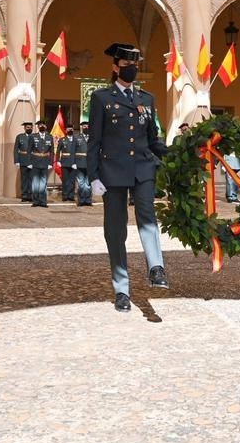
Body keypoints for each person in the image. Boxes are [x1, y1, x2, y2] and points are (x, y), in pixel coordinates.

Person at [87, 43, 170, 313]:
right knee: (116, 230)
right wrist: (93, 176)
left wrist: (177, 153)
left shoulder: (147, 99)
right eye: (126, 65)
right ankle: (122, 289)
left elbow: (153, 139)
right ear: (115, 67)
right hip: (113, 171)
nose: (132, 69)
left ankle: (156, 266)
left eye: (136, 65)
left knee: (147, 213)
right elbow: (94, 141)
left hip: (143, 167)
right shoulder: (101, 98)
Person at [29, 120, 54, 207]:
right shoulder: (33, 136)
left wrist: (51, 162)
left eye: (43, 124)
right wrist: (30, 162)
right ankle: (35, 201)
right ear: (38, 127)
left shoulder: (49, 137)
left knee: (43, 182)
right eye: (40, 125)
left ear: (46, 126)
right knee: (35, 182)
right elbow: (29, 150)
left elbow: (51, 151)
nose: (42, 126)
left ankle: (43, 201)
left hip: (45, 162)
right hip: (35, 161)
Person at [14, 120, 34, 202]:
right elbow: (16, 149)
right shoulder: (20, 136)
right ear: (24, 128)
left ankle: (31, 195)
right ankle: (24, 195)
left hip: (33, 160)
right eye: (28, 127)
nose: (29, 128)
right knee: (24, 179)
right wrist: (16, 160)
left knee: (32, 179)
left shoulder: (35, 136)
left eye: (30, 127)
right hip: (23, 159)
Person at [73, 121, 92, 205]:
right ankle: (81, 200)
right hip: (80, 163)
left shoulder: (93, 137)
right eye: (84, 126)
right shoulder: (77, 137)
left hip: (90, 163)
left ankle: (87, 200)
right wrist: (73, 162)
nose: (86, 128)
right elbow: (73, 150)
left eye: (87, 126)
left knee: (88, 183)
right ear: (81, 127)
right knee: (81, 183)